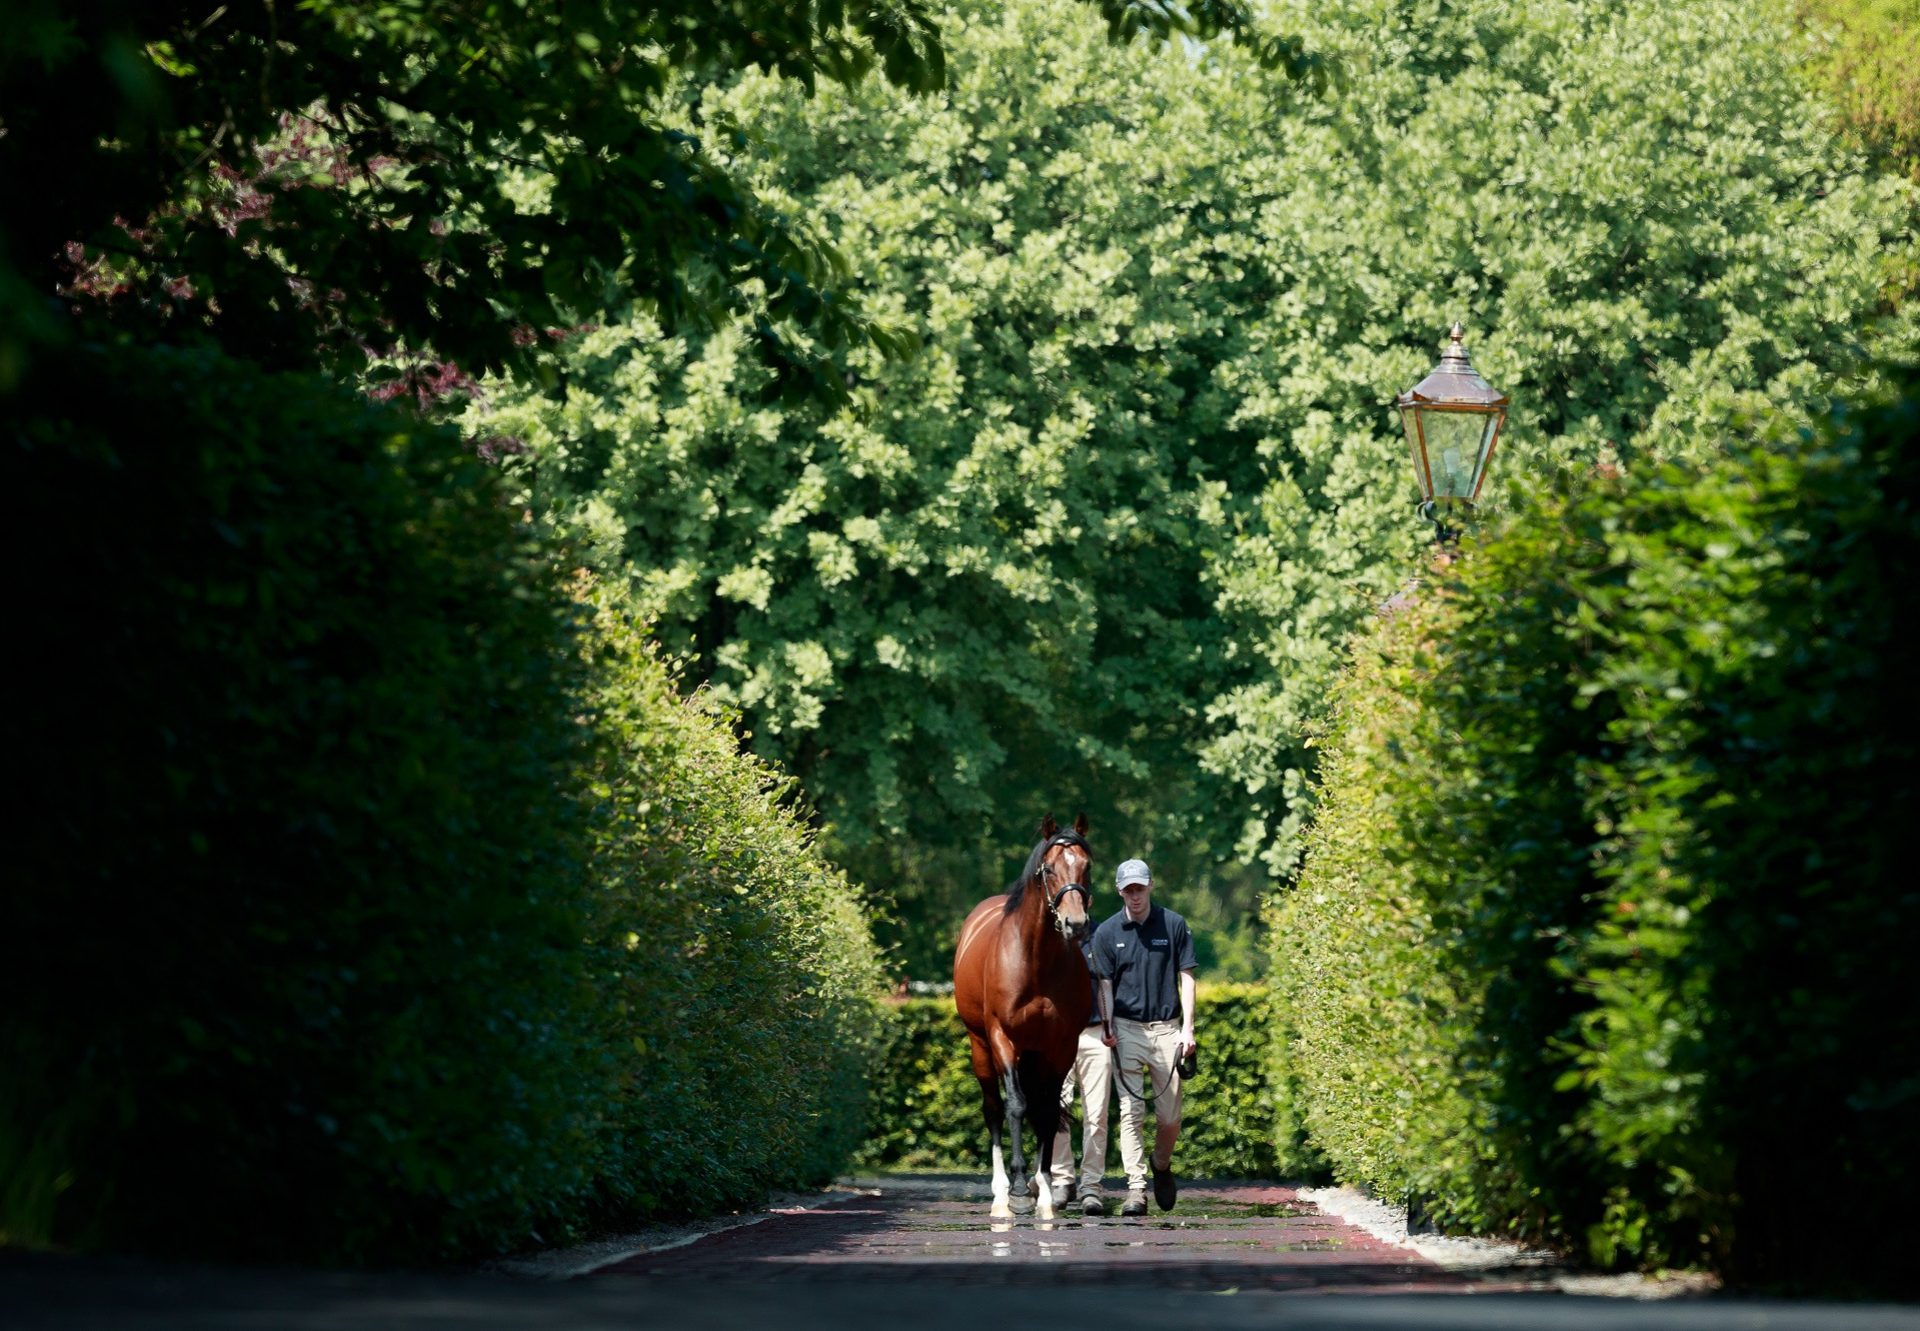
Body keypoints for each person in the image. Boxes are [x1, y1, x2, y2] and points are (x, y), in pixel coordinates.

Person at [1089, 857, 1197, 1216]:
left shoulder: (1174, 924)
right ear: (1119, 891)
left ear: (1151, 886)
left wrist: (1188, 1029)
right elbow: (1105, 985)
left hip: (1167, 1029)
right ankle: (1136, 1189)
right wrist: (1107, 1026)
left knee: (1169, 1118)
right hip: (1126, 1029)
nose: (1135, 896)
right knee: (1130, 1112)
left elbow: (1187, 977)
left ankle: (1160, 1164)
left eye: (1140, 888)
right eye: (1128, 890)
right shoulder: (1107, 933)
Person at [1049, 944, 1113, 1217]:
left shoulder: (1102, 938)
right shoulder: (1050, 941)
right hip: (1058, 1034)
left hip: (1095, 1034)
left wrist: (1110, 1026)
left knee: (1097, 1115)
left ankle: (1091, 1185)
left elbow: (1108, 986)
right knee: (1056, 1110)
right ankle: (1062, 1179)